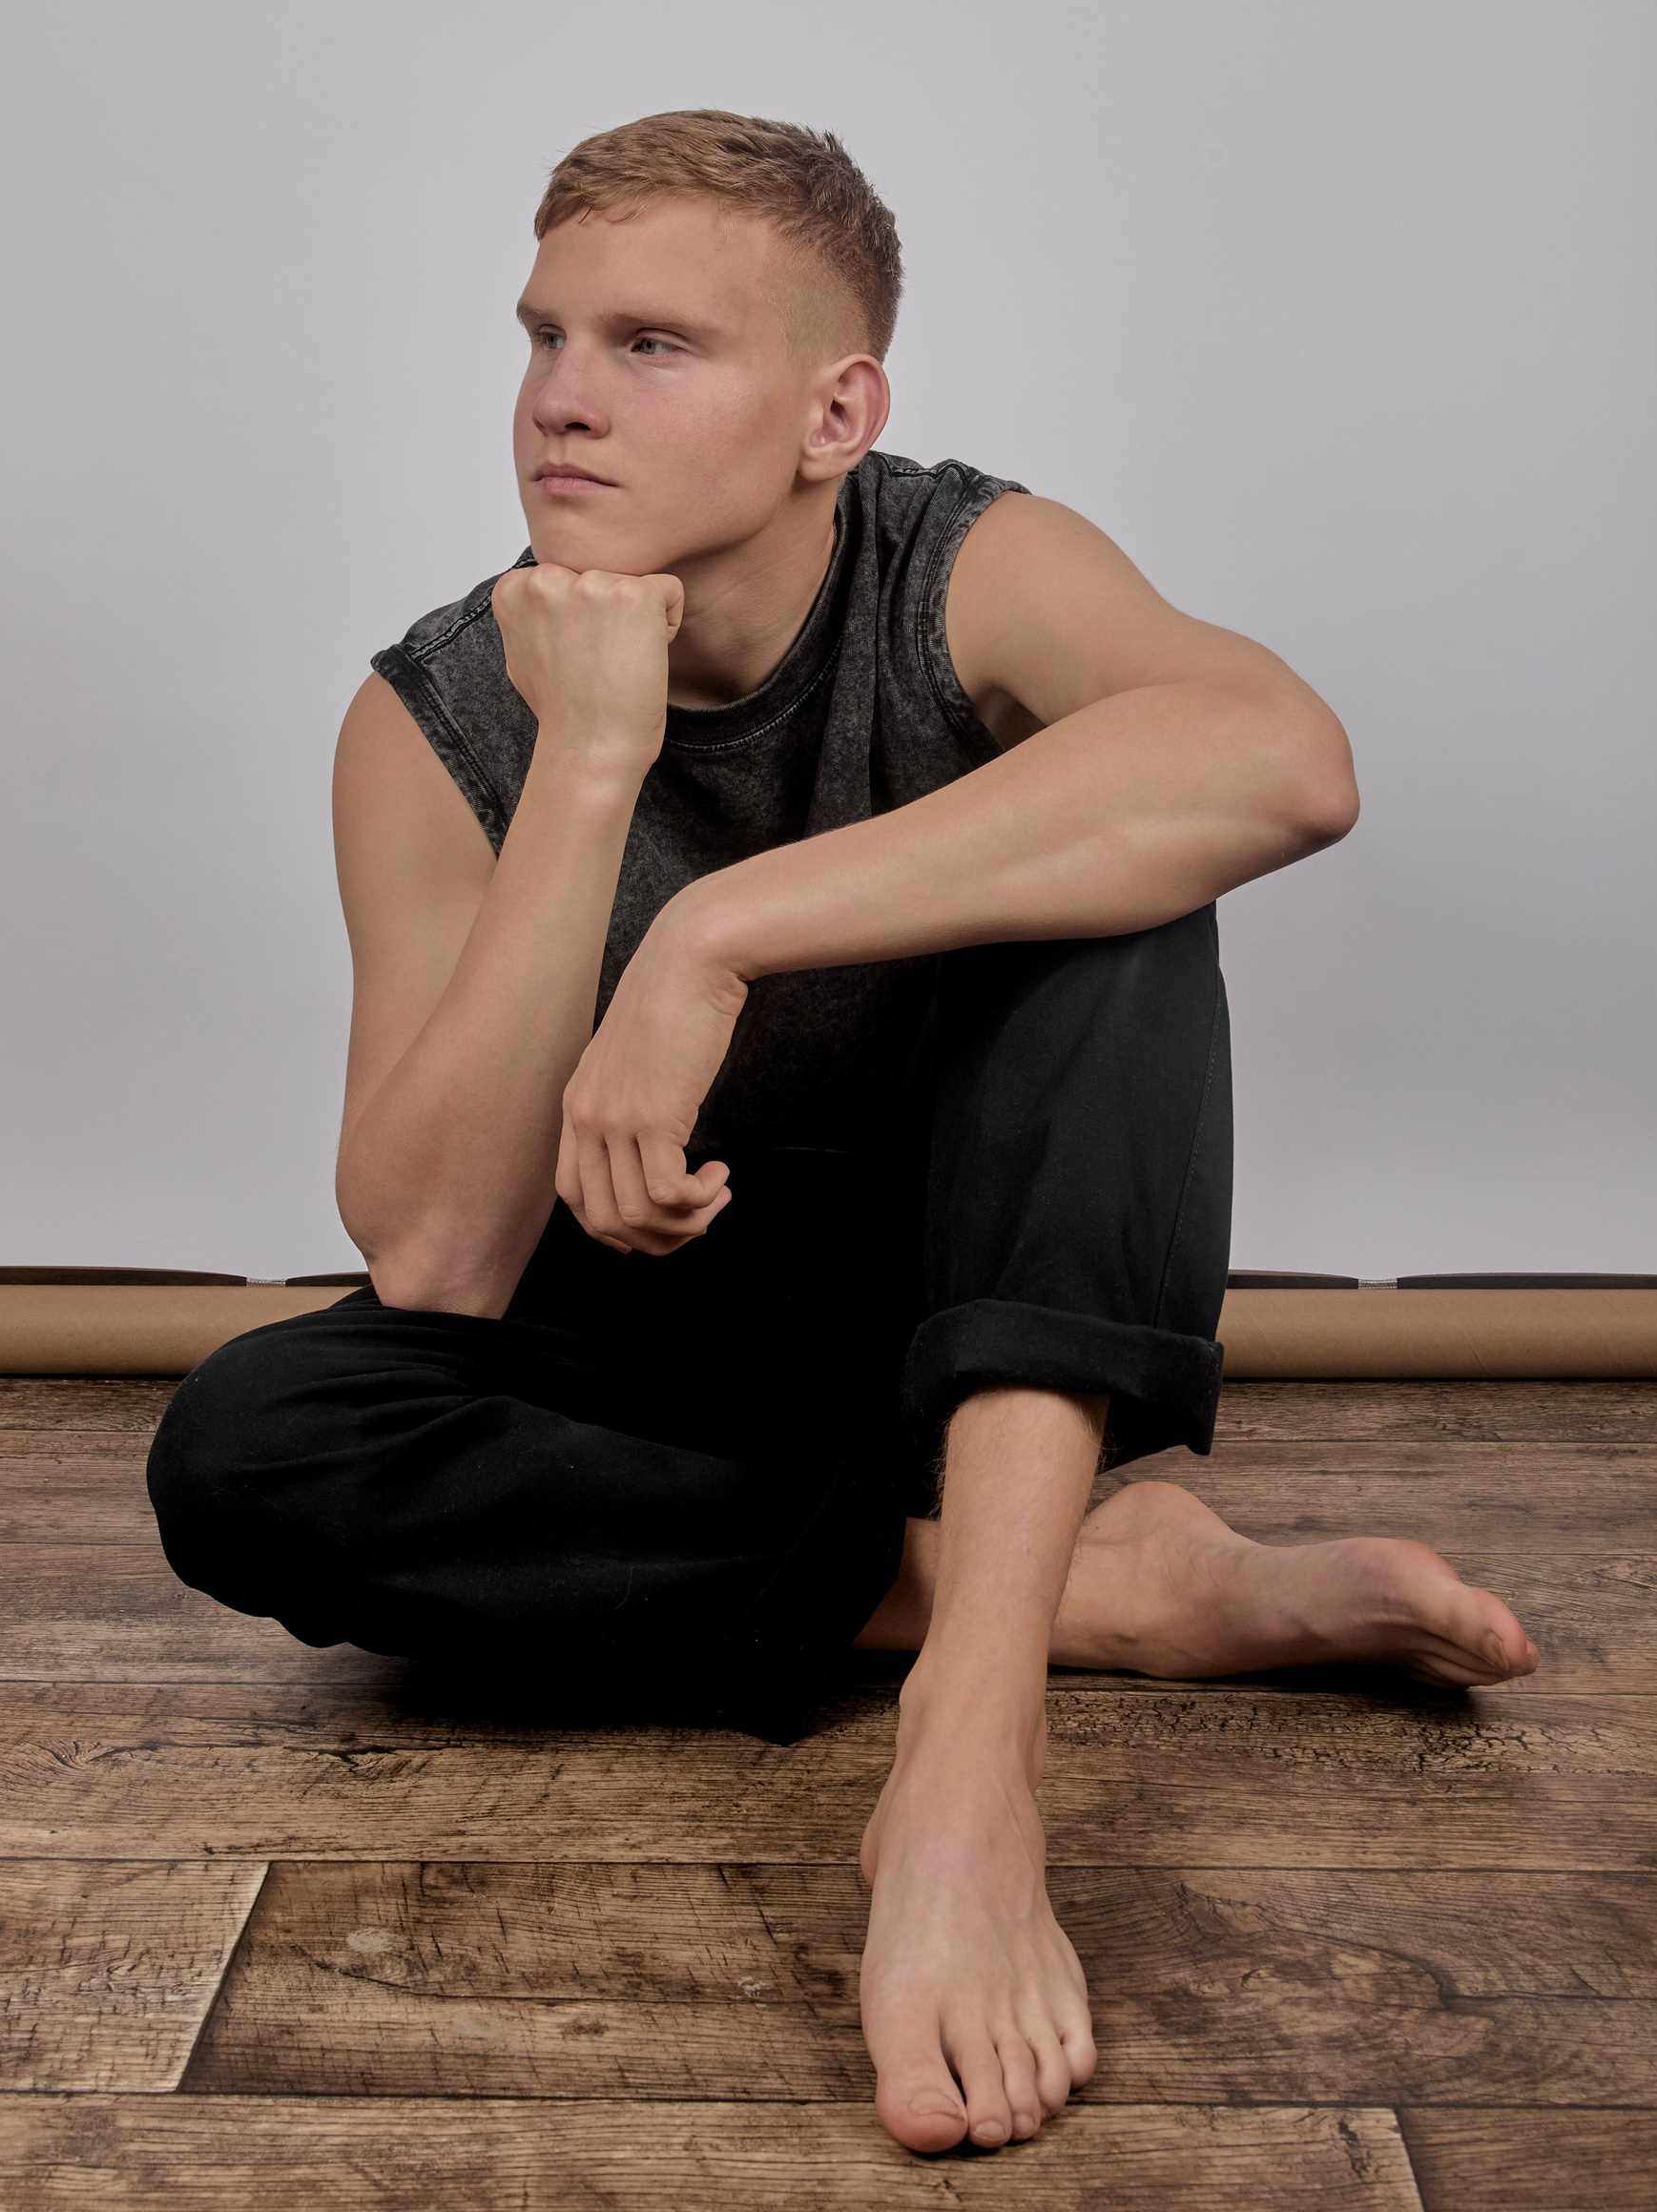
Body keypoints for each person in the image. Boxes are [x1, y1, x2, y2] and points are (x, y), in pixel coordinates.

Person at [147, 110, 1539, 2158]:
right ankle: (1094, 1594)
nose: (562, 398)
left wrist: (710, 932)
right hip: (668, 1369)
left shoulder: (962, 566)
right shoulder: (434, 713)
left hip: (967, 1338)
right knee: (250, 1448)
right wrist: (590, 766)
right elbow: (434, 1256)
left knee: (1133, 895)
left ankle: (970, 1752)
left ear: (835, 414)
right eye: (544, 336)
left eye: (651, 345)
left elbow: (1283, 756)